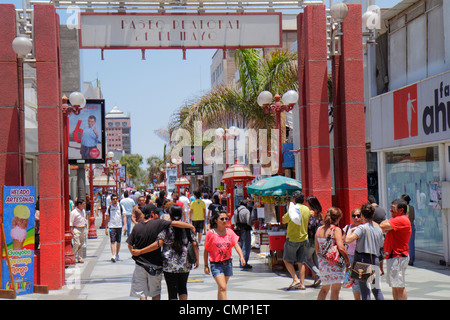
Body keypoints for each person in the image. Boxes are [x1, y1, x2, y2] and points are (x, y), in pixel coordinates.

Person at [127, 204, 195, 300]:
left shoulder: (137, 227)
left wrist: (136, 253)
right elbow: (174, 224)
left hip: (140, 264)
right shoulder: (158, 223)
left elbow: (129, 244)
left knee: (142, 294)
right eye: (157, 213)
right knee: (156, 293)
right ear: (152, 214)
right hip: (154, 265)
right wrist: (190, 226)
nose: (158, 215)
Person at [345, 203, 384, 300]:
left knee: (365, 290)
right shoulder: (378, 229)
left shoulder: (361, 228)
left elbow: (348, 240)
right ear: (373, 215)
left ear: (362, 215)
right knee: (376, 289)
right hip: (374, 259)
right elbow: (381, 244)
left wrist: (351, 230)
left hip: (361, 260)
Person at [204, 211, 246, 300]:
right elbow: (206, 250)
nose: (224, 221)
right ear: (216, 220)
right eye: (222, 219)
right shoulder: (210, 233)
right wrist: (205, 266)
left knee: (222, 288)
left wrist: (241, 256)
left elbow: (236, 245)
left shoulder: (230, 232)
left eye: (226, 219)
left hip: (227, 263)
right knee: (223, 287)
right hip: (216, 264)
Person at [315, 207, 350, 300]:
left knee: (324, 289)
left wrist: (324, 259)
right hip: (336, 264)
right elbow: (341, 247)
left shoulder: (319, 230)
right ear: (338, 218)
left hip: (323, 264)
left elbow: (317, 250)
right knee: (335, 291)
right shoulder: (336, 230)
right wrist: (347, 261)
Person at [380, 198, 412, 300]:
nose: (390, 210)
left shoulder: (401, 219)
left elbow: (382, 225)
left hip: (398, 256)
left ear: (401, 210)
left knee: (399, 286)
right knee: (395, 285)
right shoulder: (397, 220)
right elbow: (384, 228)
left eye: (393, 208)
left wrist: (387, 222)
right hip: (394, 256)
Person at [282, 190, 310, 290]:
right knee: (301, 262)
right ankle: (302, 284)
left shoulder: (293, 209)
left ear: (293, 199)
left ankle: (295, 278)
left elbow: (283, 220)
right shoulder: (306, 209)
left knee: (286, 260)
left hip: (293, 238)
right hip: (304, 238)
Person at [342, 208, 363, 300]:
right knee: (354, 282)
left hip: (362, 257)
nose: (356, 218)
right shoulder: (347, 228)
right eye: (354, 216)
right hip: (350, 257)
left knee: (364, 280)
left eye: (358, 215)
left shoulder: (365, 228)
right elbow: (344, 241)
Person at [304, 195, 323, 287]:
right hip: (318, 240)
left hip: (311, 239)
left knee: (305, 258)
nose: (305, 204)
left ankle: (318, 274)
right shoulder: (320, 214)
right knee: (315, 260)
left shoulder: (310, 214)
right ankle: (317, 281)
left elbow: (310, 227)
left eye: (307, 202)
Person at [105, 194, 127, 262]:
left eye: (116, 199)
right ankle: (113, 255)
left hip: (119, 226)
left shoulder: (121, 206)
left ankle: (117, 254)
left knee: (118, 241)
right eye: (113, 199)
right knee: (112, 241)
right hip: (112, 226)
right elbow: (107, 217)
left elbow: (124, 216)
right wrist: (106, 227)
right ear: (111, 200)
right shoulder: (109, 208)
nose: (115, 200)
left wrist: (125, 225)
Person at [368, 195, 387, 275]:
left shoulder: (370, 210)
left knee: (373, 252)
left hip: (373, 233)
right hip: (382, 233)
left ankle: (374, 269)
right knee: (381, 252)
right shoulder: (382, 209)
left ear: (368, 202)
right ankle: (381, 269)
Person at [233, 199, 253, 269]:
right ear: (246, 204)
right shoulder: (246, 211)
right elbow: (248, 221)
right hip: (245, 229)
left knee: (240, 245)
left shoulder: (236, 210)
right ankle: (244, 262)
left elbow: (234, 220)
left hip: (238, 229)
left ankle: (241, 259)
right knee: (246, 246)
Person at [69, 199, 87, 263]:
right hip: (76, 229)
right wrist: (71, 231)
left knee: (82, 244)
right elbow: (71, 222)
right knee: (77, 243)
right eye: (83, 204)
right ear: (79, 204)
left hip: (83, 228)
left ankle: (80, 257)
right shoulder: (74, 212)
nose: (84, 206)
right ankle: (73, 256)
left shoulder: (83, 211)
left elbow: (84, 218)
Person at [401, 194, 416, 266]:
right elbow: (413, 217)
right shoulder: (412, 207)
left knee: (405, 244)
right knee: (411, 244)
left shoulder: (403, 208)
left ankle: (406, 259)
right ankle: (411, 259)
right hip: (412, 226)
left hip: (405, 227)